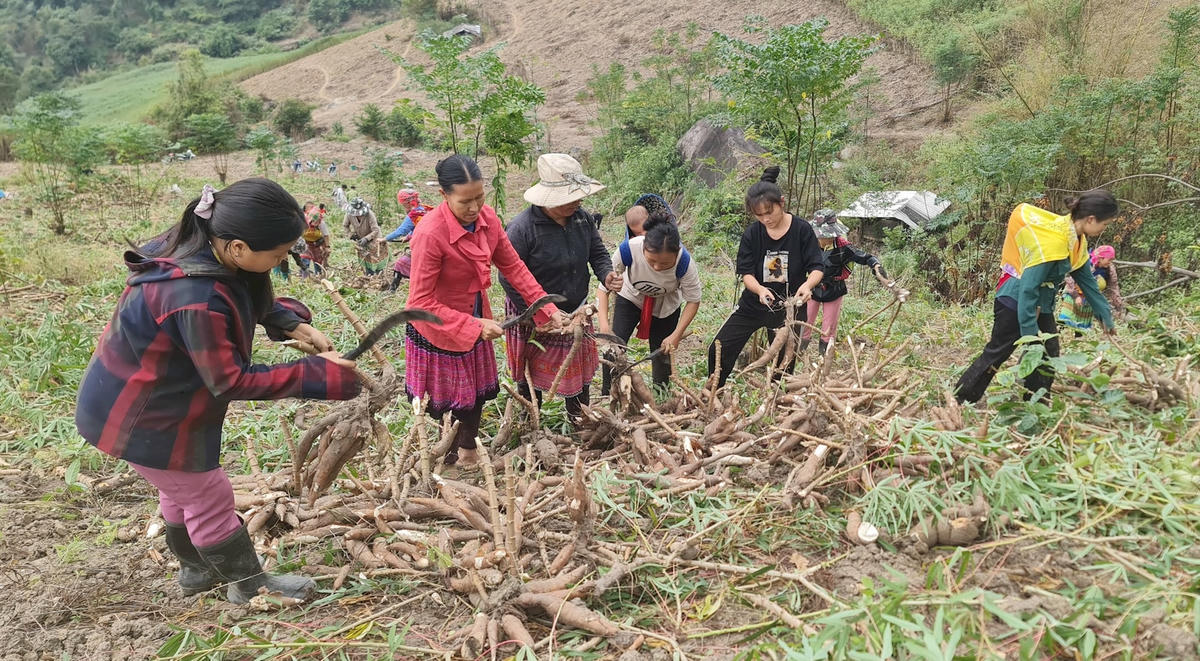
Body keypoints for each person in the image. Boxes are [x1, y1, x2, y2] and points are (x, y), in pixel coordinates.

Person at [75, 179, 361, 604]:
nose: (283, 260)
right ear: (239, 248)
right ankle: (248, 585)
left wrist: (284, 320)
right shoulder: (196, 297)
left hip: (145, 400)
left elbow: (243, 289)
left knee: (181, 489)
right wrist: (315, 375)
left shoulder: (201, 249)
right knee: (207, 494)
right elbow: (230, 380)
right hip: (140, 415)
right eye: (279, 255)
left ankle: (197, 571)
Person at [407, 154, 568, 466]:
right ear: (444, 195)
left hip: (475, 311)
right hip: (438, 323)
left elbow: (514, 267)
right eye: (465, 201)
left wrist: (545, 308)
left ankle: (469, 453)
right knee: (445, 400)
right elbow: (420, 302)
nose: (474, 208)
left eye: (480, 197)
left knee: (476, 392)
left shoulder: (488, 220)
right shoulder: (429, 234)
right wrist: (472, 326)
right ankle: (446, 461)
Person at [954, 191, 1119, 403]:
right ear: (1090, 219)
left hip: (1042, 304)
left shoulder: (1077, 240)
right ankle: (961, 399)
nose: (1104, 229)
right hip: (1015, 302)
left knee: (1049, 353)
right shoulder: (1055, 242)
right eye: (1104, 225)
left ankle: (1036, 402)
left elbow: (1087, 282)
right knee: (999, 352)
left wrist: (1105, 315)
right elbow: (1028, 290)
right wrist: (1031, 336)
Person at [499, 153, 619, 423]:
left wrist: (607, 274)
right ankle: (530, 423)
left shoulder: (582, 219)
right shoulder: (522, 229)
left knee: (577, 372)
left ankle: (579, 421)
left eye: (578, 197)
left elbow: (597, 253)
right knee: (530, 373)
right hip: (533, 313)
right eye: (569, 198)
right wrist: (536, 314)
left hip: (576, 310)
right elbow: (508, 277)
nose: (577, 202)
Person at [707, 167, 826, 389]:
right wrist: (760, 290)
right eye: (759, 215)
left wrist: (808, 286)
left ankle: (777, 400)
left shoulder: (801, 229)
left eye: (769, 212)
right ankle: (714, 390)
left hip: (790, 307)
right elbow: (747, 274)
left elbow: (817, 266)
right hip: (755, 303)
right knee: (719, 347)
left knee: (784, 363)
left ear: (781, 202)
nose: (765, 219)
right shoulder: (753, 233)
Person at [597, 211, 701, 392]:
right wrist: (604, 327)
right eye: (651, 261)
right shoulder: (629, 249)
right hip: (630, 297)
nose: (657, 267)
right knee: (614, 345)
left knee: (662, 352)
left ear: (676, 254)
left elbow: (693, 301)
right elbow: (603, 288)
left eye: (665, 264)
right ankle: (609, 392)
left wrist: (676, 335)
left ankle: (661, 395)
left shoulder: (685, 263)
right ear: (644, 245)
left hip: (665, 306)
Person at [804, 210, 900, 354]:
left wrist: (877, 267)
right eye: (824, 235)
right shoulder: (808, 245)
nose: (828, 238)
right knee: (805, 321)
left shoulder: (843, 247)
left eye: (831, 235)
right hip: (811, 288)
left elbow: (866, 257)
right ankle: (797, 352)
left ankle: (824, 358)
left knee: (828, 327)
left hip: (833, 289)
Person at [1059, 245, 1125, 332]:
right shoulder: (1085, 263)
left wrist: (1119, 307)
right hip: (1072, 295)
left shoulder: (1109, 270)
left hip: (1089, 300)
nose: (1110, 262)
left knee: (1081, 329)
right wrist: (1076, 296)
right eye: (1109, 259)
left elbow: (1114, 288)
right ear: (1100, 258)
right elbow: (1070, 278)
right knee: (1065, 321)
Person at [386, 188, 430, 292]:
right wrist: (409, 236)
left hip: (424, 245)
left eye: (403, 205)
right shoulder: (425, 209)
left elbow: (401, 231)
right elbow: (418, 226)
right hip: (430, 242)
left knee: (401, 264)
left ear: (408, 203)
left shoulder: (414, 213)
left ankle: (393, 290)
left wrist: (384, 238)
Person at [343, 197, 388, 275]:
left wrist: (367, 238)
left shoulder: (369, 214)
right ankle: (368, 273)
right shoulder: (349, 214)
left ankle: (379, 274)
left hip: (374, 237)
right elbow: (345, 225)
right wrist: (351, 234)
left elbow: (375, 230)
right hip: (360, 237)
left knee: (376, 256)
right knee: (365, 256)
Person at [301, 201, 331, 276]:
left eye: (317, 222)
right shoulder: (303, 221)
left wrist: (327, 247)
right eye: (314, 222)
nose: (315, 223)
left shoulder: (321, 222)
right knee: (305, 259)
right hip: (306, 243)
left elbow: (326, 235)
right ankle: (305, 277)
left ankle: (318, 275)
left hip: (317, 243)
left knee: (318, 261)